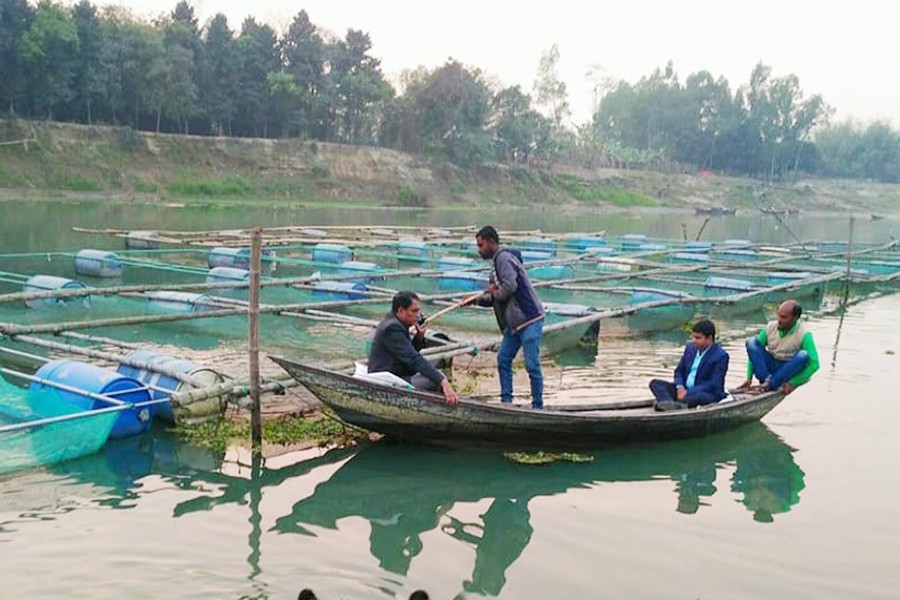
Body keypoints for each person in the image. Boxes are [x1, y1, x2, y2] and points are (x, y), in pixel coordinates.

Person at [466, 225, 545, 409]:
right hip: (514, 324)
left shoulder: (504, 259)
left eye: (481, 245)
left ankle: (538, 407)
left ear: (492, 242)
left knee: (532, 364)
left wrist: (494, 292)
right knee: (503, 359)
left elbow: (510, 287)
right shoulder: (494, 266)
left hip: (529, 319)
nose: (479, 250)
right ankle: (506, 403)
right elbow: (496, 298)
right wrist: (475, 301)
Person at [368, 291, 458, 405]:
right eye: (414, 311)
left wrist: (419, 337)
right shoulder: (392, 328)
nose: (418, 315)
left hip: (397, 373)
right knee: (435, 379)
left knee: (435, 372)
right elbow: (413, 359)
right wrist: (442, 381)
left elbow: (406, 352)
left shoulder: (396, 322)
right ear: (401, 311)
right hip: (387, 378)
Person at [736, 299, 819, 395]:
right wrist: (749, 378)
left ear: (795, 318)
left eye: (784, 317)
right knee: (751, 342)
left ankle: (770, 384)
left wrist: (793, 382)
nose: (779, 320)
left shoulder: (804, 334)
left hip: (787, 369)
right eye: (778, 315)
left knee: (803, 355)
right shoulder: (771, 327)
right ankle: (766, 381)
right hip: (770, 365)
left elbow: (814, 364)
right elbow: (754, 353)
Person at [649, 319, 730, 411]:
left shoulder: (721, 356)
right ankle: (671, 405)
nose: (694, 341)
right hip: (683, 391)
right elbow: (679, 371)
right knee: (655, 383)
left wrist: (687, 392)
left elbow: (714, 384)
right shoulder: (690, 348)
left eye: (698, 338)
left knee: (700, 396)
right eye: (693, 337)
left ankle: (668, 404)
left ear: (709, 338)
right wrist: (680, 387)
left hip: (705, 393)